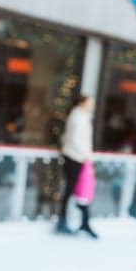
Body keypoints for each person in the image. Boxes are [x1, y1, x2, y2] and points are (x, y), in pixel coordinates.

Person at [57, 95, 97, 237]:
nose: (92, 105)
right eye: (90, 102)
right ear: (82, 103)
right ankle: (64, 222)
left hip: (76, 157)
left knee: (78, 191)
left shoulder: (80, 116)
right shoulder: (78, 117)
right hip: (75, 157)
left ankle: (83, 222)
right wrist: (87, 156)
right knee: (74, 190)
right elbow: (76, 140)